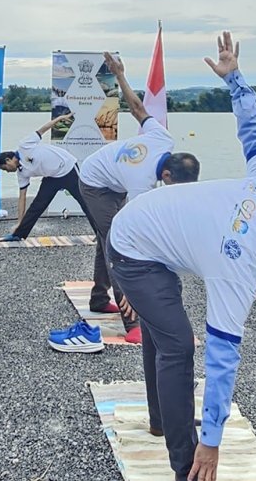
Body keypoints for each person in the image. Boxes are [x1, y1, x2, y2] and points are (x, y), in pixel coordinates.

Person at [109, 33, 256, 481]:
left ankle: (159, 417)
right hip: (130, 248)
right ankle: (185, 467)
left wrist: (235, 77)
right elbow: (221, 362)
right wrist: (211, 441)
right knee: (176, 345)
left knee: (161, 327)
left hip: (146, 223)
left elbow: (255, 131)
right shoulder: (239, 278)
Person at [50, 51, 200, 352]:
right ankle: (132, 324)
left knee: (106, 237)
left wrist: (119, 75)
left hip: (112, 178)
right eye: (173, 186)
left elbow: (137, 108)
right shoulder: (140, 182)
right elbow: (131, 233)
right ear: (166, 174)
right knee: (117, 243)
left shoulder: (163, 139)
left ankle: (98, 299)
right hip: (93, 182)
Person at [0, 112, 89, 241]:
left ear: (8, 160)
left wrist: (60, 118)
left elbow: (42, 130)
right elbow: (22, 198)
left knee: (85, 202)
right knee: (37, 205)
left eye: (5, 168)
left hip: (67, 168)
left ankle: (102, 233)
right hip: (51, 178)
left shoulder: (24, 146)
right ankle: (18, 234)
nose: (7, 171)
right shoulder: (21, 173)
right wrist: (19, 222)